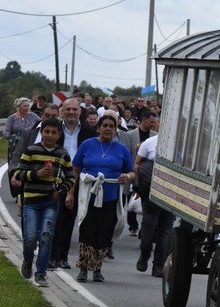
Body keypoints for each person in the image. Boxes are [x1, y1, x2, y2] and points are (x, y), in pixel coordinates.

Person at [70, 114, 135, 282]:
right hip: (88, 195)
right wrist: (71, 191)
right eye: (104, 125)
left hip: (111, 197)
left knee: (104, 233)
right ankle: (83, 268)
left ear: (115, 129)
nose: (108, 129)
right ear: (98, 128)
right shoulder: (87, 145)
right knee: (86, 231)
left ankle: (97, 268)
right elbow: (75, 169)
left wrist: (126, 177)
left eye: (111, 126)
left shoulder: (122, 149)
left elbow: (132, 172)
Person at [13, 117, 76, 287]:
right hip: (32, 201)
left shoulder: (62, 154)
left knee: (46, 237)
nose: (49, 135)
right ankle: (27, 259)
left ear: (59, 134)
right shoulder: (31, 150)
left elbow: (71, 177)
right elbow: (18, 173)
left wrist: (62, 190)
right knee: (30, 238)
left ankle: (41, 273)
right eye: (46, 132)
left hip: (51, 201)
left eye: (53, 132)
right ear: (41, 133)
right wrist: (36, 174)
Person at [49, 97, 97, 269]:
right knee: (54, 218)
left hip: (77, 181)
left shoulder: (88, 131)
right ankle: (51, 256)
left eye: (74, 109)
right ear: (62, 111)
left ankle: (62, 256)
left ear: (80, 111)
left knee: (69, 220)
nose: (71, 112)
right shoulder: (54, 129)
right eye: (67, 109)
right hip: (55, 179)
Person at [134, 132, 174, 277]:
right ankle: (145, 253)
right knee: (148, 226)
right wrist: (144, 179)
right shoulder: (150, 142)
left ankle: (158, 265)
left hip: (171, 193)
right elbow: (137, 164)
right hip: (151, 192)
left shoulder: (180, 143)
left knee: (165, 231)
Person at [8, 104, 61, 200]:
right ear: (41, 115)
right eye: (47, 115)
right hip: (30, 182)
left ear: (58, 116)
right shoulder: (29, 132)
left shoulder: (62, 133)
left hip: (54, 183)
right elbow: (19, 153)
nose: (50, 118)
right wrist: (15, 173)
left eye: (53, 116)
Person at [118, 111, 158, 236]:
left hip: (145, 176)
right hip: (130, 172)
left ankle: (143, 230)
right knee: (129, 201)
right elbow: (127, 154)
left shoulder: (155, 136)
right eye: (151, 122)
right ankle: (132, 224)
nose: (153, 124)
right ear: (144, 119)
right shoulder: (130, 135)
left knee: (143, 203)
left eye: (154, 122)